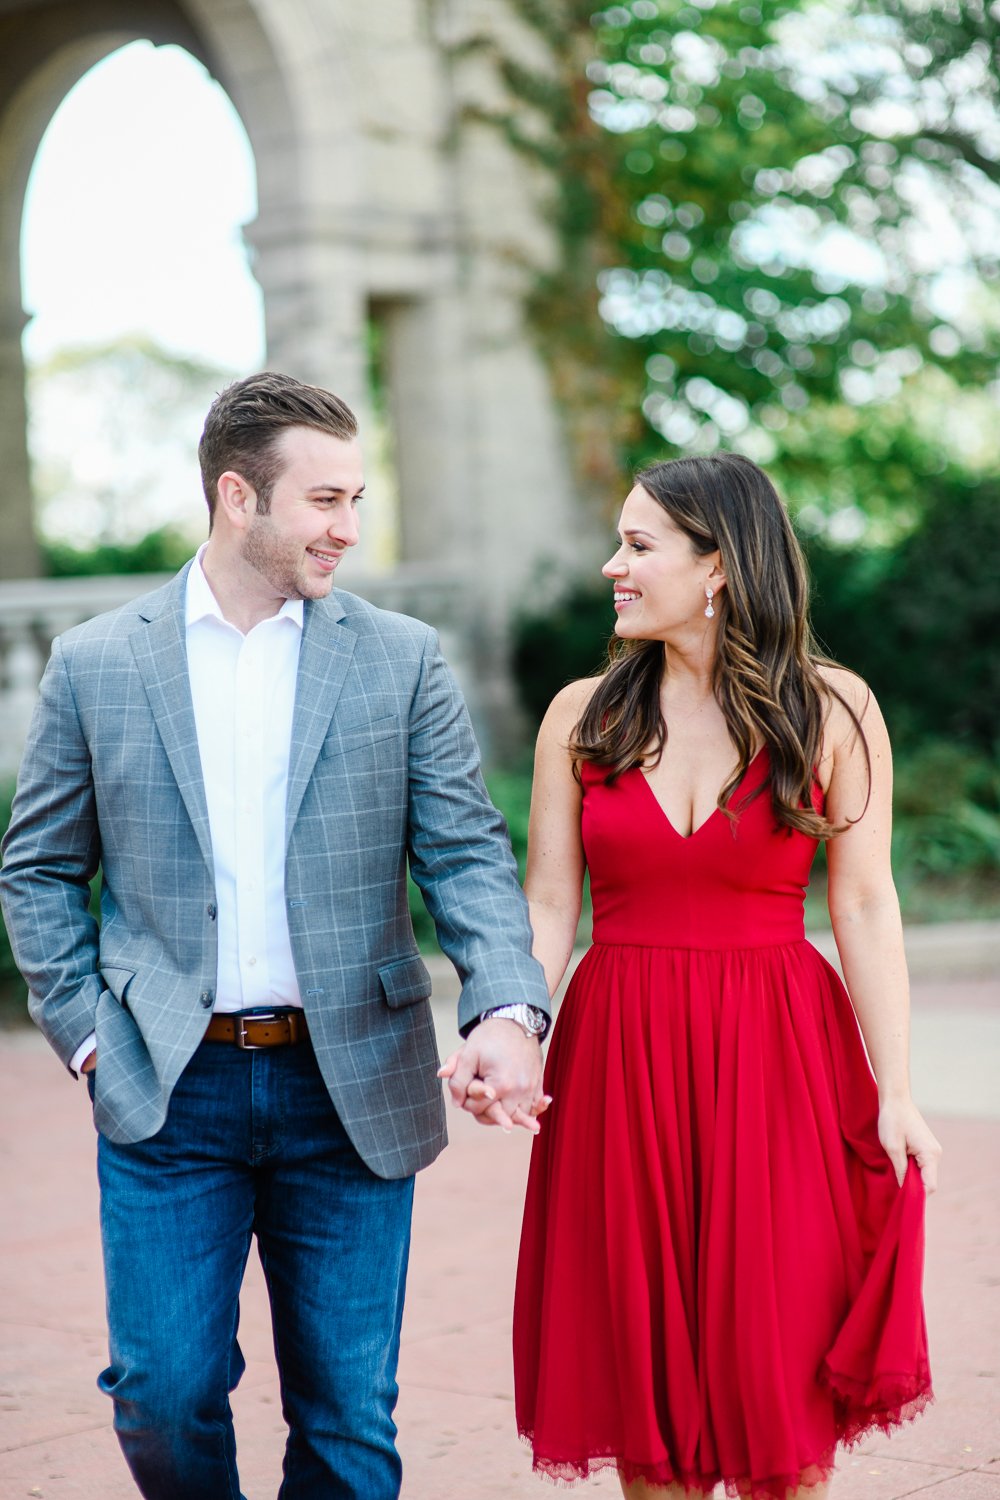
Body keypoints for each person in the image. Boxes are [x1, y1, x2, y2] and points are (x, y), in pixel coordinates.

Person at [0, 370, 552, 1500]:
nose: (349, 529)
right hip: (167, 1082)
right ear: (238, 497)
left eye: (357, 499)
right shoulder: (100, 662)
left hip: (350, 1079)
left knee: (349, 1417)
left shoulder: (399, 658)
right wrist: (92, 1036)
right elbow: (41, 867)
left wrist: (504, 1005)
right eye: (325, 501)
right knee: (161, 1392)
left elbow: (464, 855)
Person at [511, 452, 941, 1499]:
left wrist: (894, 1092)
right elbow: (546, 908)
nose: (613, 565)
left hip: (779, 1059)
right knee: (643, 1391)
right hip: (620, 1060)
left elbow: (864, 905)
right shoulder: (582, 715)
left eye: (638, 544)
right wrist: (512, 1035)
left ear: (717, 567)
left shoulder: (832, 710)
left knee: (778, 1395)